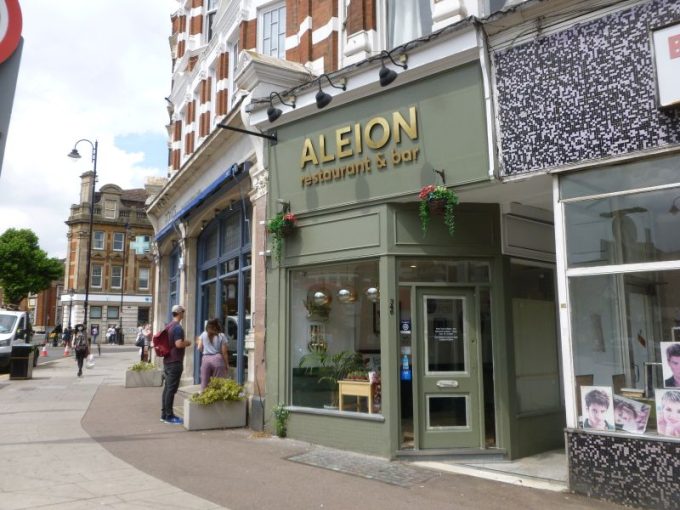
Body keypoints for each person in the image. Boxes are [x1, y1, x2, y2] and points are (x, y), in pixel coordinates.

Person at [161, 305, 191, 424]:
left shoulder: (168, 326)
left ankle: (164, 414)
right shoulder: (177, 328)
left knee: (167, 388)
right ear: (179, 313)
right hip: (175, 362)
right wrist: (187, 343)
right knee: (171, 389)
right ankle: (169, 416)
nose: (184, 313)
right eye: (183, 311)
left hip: (167, 361)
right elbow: (178, 344)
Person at [197, 318, 229, 391]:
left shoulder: (203, 334)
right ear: (217, 325)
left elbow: (199, 347)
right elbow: (224, 352)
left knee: (204, 384)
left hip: (206, 359)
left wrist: (205, 350)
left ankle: (204, 396)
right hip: (217, 359)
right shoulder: (221, 335)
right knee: (218, 384)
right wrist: (226, 364)